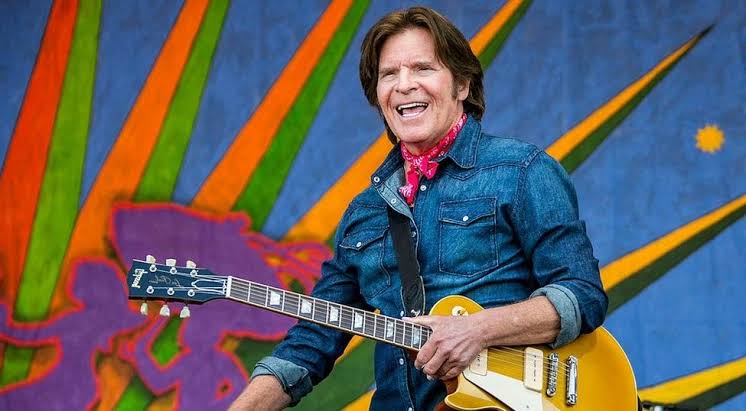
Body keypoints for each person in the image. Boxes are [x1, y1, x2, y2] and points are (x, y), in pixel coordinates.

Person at [229, 6, 607, 411]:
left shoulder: (521, 170)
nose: (404, 85)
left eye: (423, 68)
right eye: (389, 74)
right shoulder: (364, 213)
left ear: (462, 84)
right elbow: (311, 341)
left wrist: (477, 330)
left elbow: (581, 295)